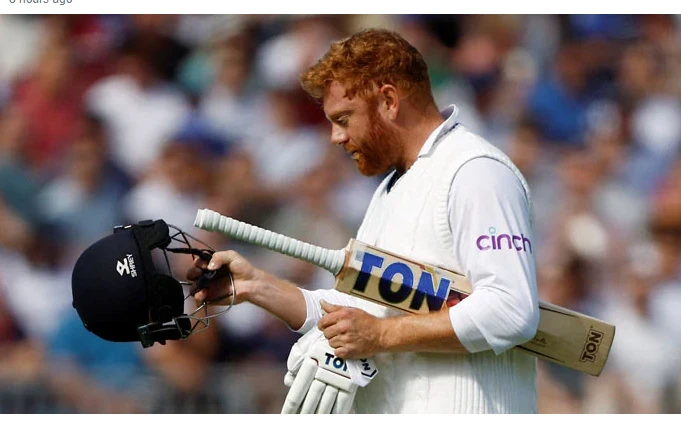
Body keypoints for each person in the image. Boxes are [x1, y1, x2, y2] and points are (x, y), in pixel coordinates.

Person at [188, 28, 540, 414]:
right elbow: (358, 312)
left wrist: (381, 335)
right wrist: (257, 286)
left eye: (343, 118)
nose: (336, 137)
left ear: (389, 100)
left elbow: (511, 311)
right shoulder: (392, 186)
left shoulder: (476, 172)